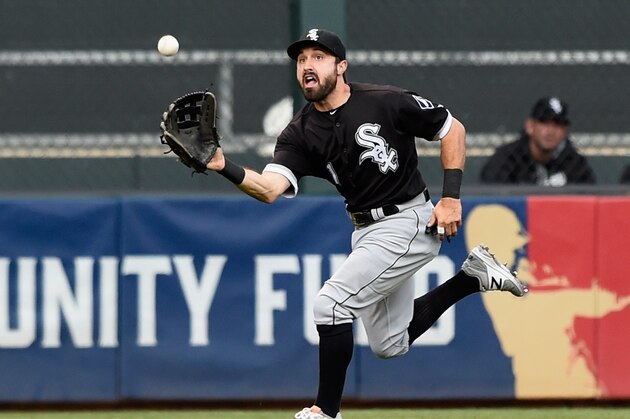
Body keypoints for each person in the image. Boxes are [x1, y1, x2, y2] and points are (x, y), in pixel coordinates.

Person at [207, 28, 527, 419]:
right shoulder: (300, 132)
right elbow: (270, 188)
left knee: (331, 304)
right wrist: (223, 166)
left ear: (341, 67)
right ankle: (473, 277)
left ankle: (326, 412)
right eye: (302, 59)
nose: (308, 65)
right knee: (390, 345)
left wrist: (450, 197)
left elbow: (452, 129)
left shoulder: (384, 102)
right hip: (365, 231)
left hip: (409, 220)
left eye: (318, 57)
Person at [480, 97, 596, 186]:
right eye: (544, 123)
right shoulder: (509, 158)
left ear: (565, 131)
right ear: (530, 126)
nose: (550, 131)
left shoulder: (573, 162)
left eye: (557, 125)